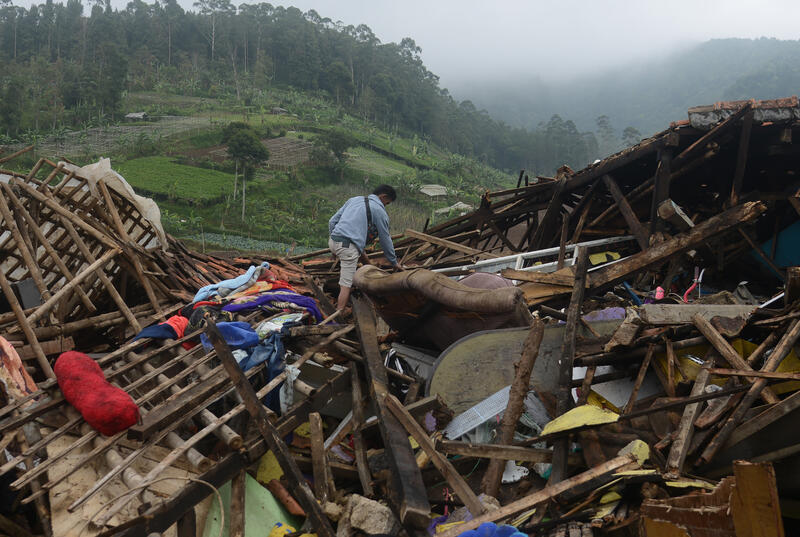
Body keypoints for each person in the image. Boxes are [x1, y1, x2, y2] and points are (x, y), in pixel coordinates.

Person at [328, 184, 403, 311]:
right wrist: (394, 263)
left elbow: (332, 222)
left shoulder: (354, 200)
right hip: (347, 247)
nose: (385, 206)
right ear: (383, 197)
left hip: (333, 241)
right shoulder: (379, 211)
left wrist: (334, 250)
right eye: (387, 203)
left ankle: (368, 267)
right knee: (345, 285)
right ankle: (338, 314)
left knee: (357, 247)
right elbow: (385, 240)